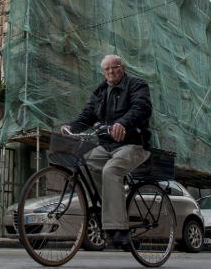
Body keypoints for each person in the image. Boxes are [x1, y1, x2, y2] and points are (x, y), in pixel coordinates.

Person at [61, 54, 152, 248]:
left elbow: (142, 107)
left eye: (115, 67)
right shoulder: (100, 91)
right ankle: (112, 208)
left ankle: (119, 229)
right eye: (107, 69)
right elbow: (86, 115)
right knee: (84, 163)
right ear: (103, 72)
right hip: (107, 146)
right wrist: (70, 127)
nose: (111, 72)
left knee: (110, 170)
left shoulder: (137, 85)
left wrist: (123, 123)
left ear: (123, 68)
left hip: (133, 145)